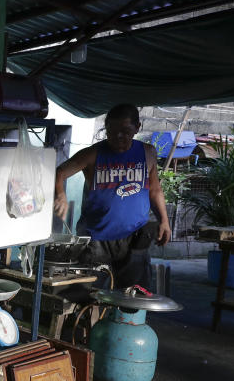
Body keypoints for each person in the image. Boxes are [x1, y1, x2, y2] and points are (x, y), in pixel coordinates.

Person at [53, 103, 171, 289]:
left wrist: (163, 220)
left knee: (132, 296)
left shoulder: (147, 153)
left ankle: (122, 319)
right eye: (112, 131)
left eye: (125, 131)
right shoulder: (93, 154)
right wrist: (60, 194)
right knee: (87, 294)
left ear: (137, 128)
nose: (118, 137)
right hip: (96, 239)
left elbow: (155, 190)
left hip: (134, 237)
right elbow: (60, 173)